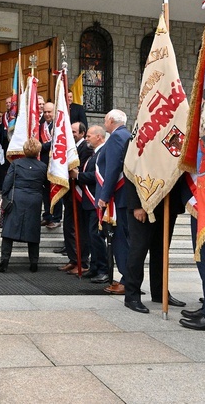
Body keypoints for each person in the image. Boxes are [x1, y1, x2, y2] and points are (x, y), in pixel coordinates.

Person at [123, 179, 186, 313]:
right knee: (138, 250)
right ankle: (132, 295)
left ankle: (160, 292)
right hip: (144, 203)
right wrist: (137, 204)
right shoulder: (136, 155)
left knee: (161, 251)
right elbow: (130, 171)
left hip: (168, 203)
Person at [0, 138, 48, 273]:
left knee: (8, 231)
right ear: (38, 151)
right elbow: (47, 185)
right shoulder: (43, 166)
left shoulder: (16, 163)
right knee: (33, 230)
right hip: (35, 200)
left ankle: (4, 261)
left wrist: (4, 196)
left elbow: (7, 181)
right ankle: (33, 263)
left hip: (17, 198)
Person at [98, 109, 131, 294]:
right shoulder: (127, 134)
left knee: (121, 241)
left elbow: (112, 169)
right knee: (125, 239)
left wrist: (104, 196)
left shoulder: (117, 137)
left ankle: (127, 280)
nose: (104, 124)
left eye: (105, 120)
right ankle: (128, 278)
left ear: (111, 120)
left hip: (119, 197)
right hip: (124, 196)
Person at [70, 125, 109, 282]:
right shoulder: (94, 154)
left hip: (95, 199)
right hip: (88, 201)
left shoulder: (103, 152)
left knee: (96, 236)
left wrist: (78, 176)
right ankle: (94, 267)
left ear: (99, 137)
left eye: (89, 136)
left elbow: (97, 176)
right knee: (91, 236)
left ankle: (103, 269)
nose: (86, 138)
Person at [58, 122, 91, 273]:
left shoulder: (86, 148)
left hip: (80, 194)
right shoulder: (69, 147)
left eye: (74, 131)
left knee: (80, 229)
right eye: (69, 131)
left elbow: (83, 168)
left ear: (82, 133)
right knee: (68, 227)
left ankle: (82, 261)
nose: (71, 134)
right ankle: (73, 259)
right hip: (69, 194)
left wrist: (74, 173)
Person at [39, 102, 62, 228]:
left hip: (56, 164)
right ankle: (47, 216)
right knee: (45, 191)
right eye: (45, 112)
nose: (47, 114)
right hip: (43, 163)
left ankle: (57, 218)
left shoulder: (59, 126)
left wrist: (42, 146)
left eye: (49, 112)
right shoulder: (41, 126)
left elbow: (56, 143)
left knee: (56, 191)